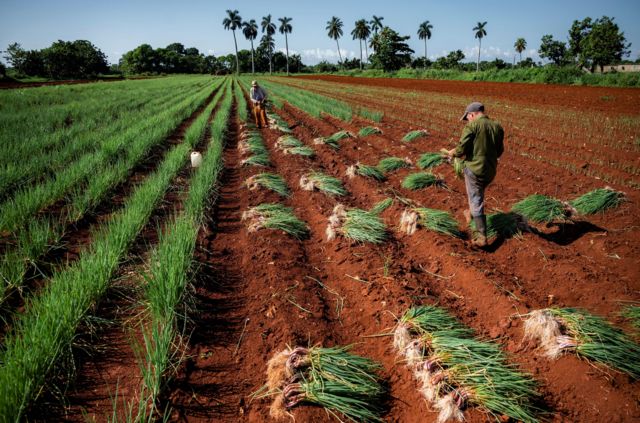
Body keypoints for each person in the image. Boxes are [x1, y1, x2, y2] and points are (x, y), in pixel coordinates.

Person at [444, 102, 504, 247]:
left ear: (472, 114)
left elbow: (462, 148)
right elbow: (500, 150)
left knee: (476, 198)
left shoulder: (472, 126)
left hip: (474, 169)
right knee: (478, 192)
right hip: (490, 170)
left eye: (467, 117)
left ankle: (481, 236)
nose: (468, 120)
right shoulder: (497, 126)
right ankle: (470, 213)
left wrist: (453, 152)